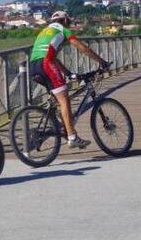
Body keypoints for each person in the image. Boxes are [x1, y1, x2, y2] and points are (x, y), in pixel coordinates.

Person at [29, 11, 109, 149]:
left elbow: (51, 56)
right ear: (64, 20)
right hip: (46, 64)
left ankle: (61, 128)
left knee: (57, 99)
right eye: (69, 21)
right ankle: (72, 137)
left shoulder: (45, 31)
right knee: (64, 100)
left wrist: (67, 73)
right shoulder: (62, 30)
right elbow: (81, 47)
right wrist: (102, 62)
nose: (70, 24)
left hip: (34, 66)